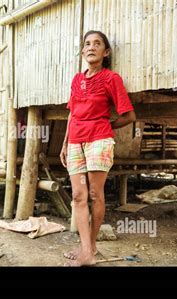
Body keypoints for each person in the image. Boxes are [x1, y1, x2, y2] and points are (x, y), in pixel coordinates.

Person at [60, 30, 136, 266]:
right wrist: (64, 143)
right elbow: (72, 113)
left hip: (98, 141)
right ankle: (86, 248)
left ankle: (90, 248)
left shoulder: (111, 78)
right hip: (75, 142)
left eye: (97, 44)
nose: (91, 47)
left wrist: (105, 125)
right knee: (78, 195)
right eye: (87, 44)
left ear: (106, 52)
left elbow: (129, 115)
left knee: (94, 194)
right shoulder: (76, 80)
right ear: (82, 52)